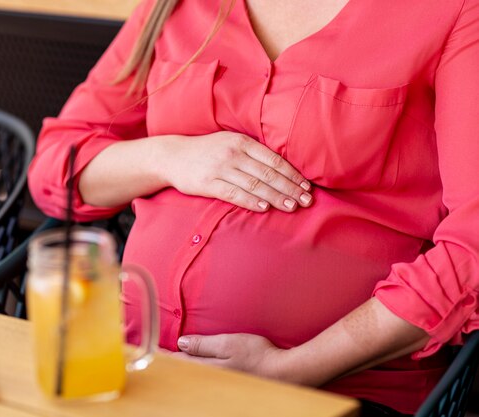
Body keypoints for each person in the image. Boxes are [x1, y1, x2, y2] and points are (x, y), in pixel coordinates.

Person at [28, 0, 479, 415]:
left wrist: (296, 368)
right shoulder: (175, 6)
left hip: (331, 396)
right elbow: (55, 168)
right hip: (126, 373)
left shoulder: (452, 11)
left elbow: (472, 249)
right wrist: (169, 158)